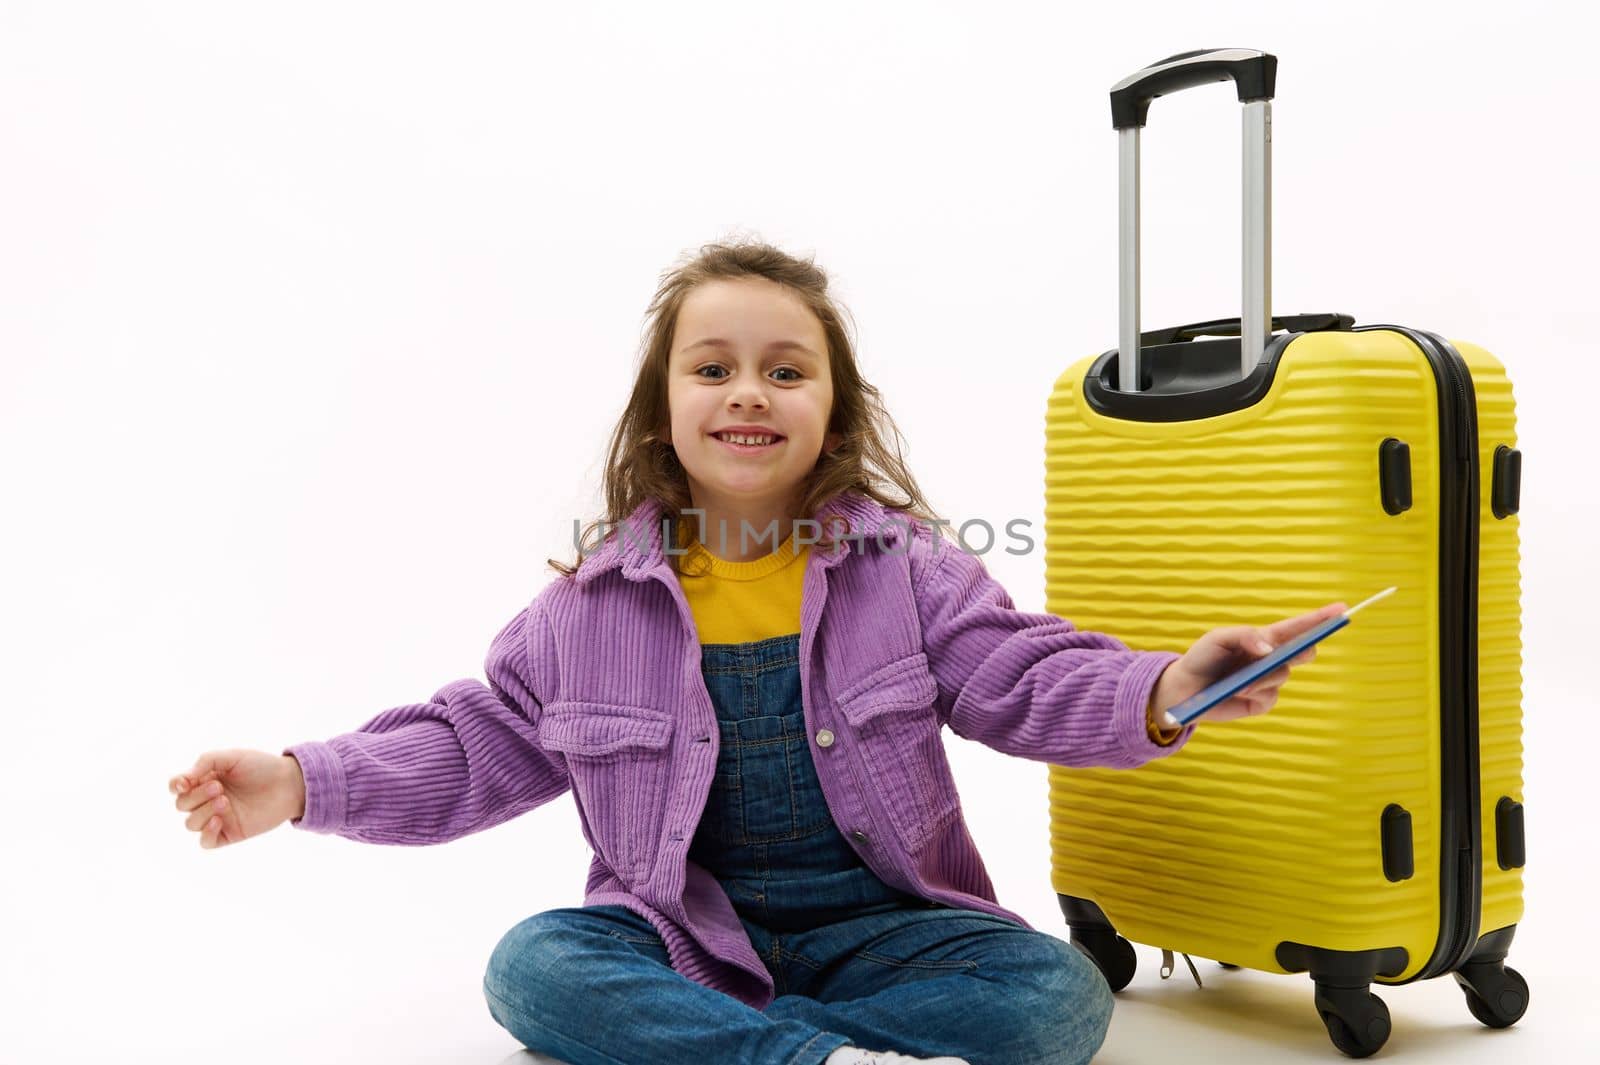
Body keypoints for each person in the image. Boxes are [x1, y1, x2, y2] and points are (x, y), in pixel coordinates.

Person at [167, 238, 1341, 1065]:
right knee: (534, 968)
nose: (750, 392)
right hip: (676, 931)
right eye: (713, 366)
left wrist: (1168, 684)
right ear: (660, 408)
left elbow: (1021, 675)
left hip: (888, 924)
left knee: (1053, 1003)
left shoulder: (907, 572)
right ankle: (810, 1061)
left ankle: (751, 1052)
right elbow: (471, 744)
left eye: (786, 370)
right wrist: (305, 781)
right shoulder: (589, 611)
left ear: (832, 407)